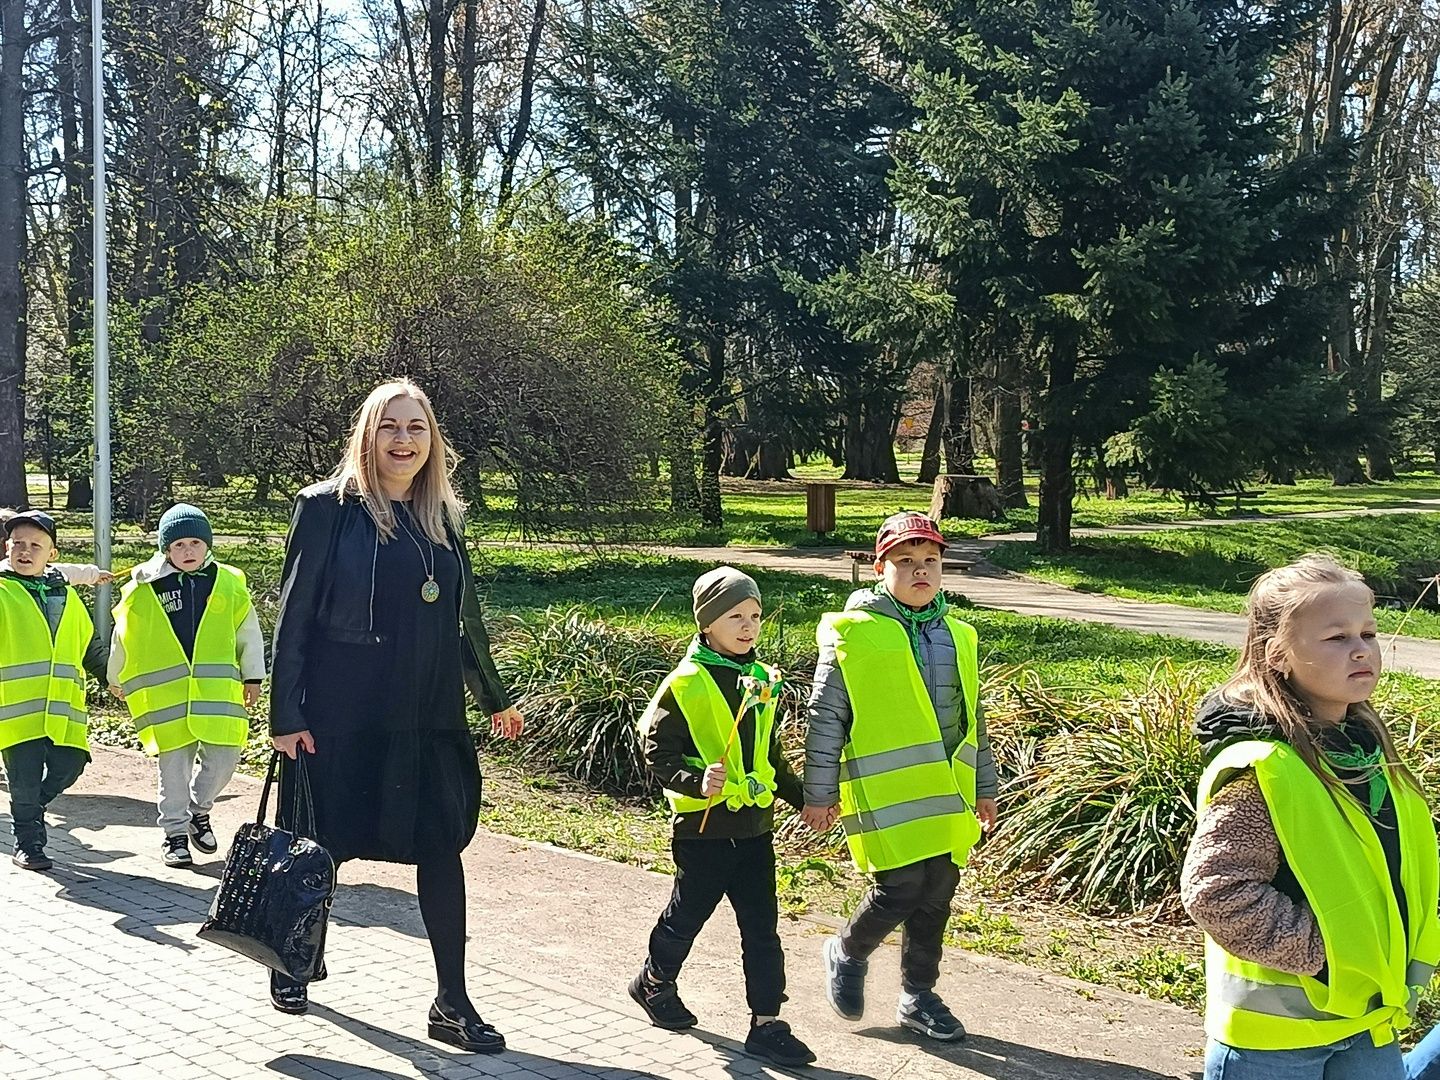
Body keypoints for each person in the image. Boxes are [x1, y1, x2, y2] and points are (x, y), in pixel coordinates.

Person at [267, 377, 523, 1054]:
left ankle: (452, 1001)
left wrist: (492, 696)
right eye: (390, 427)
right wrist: (285, 714)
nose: (404, 440)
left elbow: (463, 619)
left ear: (432, 439)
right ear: (367, 435)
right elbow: (293, 617)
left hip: (428, 711)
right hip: (342, 709)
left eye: (416, 428)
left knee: (442, 846)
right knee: (323, 844)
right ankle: (293, 958)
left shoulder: (444, 515)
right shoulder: (326, 509)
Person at [1181, 554, 1439, 1080]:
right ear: (1278, 654)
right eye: (1337, 637)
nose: (1362, 649)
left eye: (1368, 632)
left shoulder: (1365, 750)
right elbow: (1215, 889)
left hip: (1367, 1019)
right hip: (1277, 1041)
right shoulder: (1265, 765)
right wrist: (1324, 955)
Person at [803, 512, 997, 1043]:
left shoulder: (959, 634)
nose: (921, 572)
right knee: (901, 887)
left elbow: (972, 714)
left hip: (946, 789)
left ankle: (919, 996)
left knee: (939, 888)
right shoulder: (853, 634)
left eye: (930, 561)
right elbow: (826, 716)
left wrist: (985, 785)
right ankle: (847, 951)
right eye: (906, 562)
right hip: (884, 788)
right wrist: (818, 792)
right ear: (879, 567)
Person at [628, 566, 816, 1068]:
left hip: (755, 830)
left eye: (755, 615)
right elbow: (657, 753)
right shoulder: (685, 683)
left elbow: (769, 755)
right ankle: (654, 982)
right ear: (707, 623)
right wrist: (696, 781)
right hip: (704, 831)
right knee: (686, 917)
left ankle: (767, 1023)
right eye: (735, 615)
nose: (748, 625)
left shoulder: (760, 680)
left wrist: (806, 800)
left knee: (762, 928)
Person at [107, 504, 266, 867]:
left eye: (195, 542)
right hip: (169, 696)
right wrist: (116, 675)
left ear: (208, 544)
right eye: (178, 545)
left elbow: (248, 632)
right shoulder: (144, 586)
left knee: (225, 760)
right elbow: (124, 634)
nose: (188, 551)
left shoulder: (228, 582)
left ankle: (199, 810)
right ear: (166, 549)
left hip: (218, 694)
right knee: (173, 770)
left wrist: (253, 676)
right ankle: (175, 834)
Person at [0, 510, 110, 870]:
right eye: (18, 544)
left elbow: (88, 645)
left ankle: (31, 808)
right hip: (17, 712)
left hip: (62, 708)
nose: (25, 551)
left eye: (35, 545)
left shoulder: (66, 596)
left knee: (71, 765)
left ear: (53, 555)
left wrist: (111, 678)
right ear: (7, 548)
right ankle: (29, 843)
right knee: (25, 780)